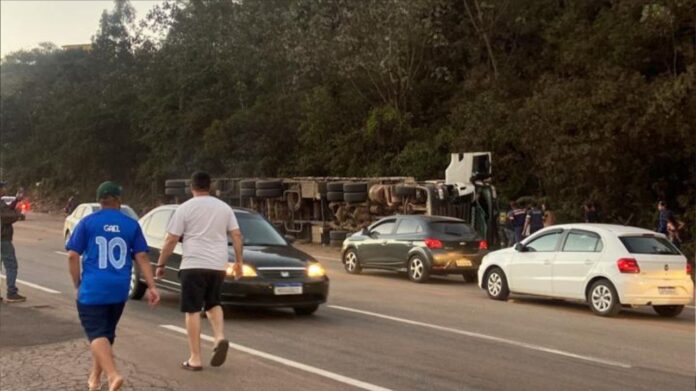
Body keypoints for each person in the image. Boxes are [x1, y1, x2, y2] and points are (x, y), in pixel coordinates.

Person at [66, 181, 160, 391]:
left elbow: (72, 255)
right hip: (119, 288)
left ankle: (113, 374)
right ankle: (94, 378)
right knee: (106, 333)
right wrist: (152, 286)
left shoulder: (88, 222)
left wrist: (77, 283)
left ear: (100, 200)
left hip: (93, 287)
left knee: (96, 333)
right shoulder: (131, 224)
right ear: (118, 200)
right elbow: (142, 256)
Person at [155, 171, 244, 371]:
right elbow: (237, 235)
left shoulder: (184, 208)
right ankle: (219, 336)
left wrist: (161, 264)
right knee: (213, 303)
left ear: (191, 187)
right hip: (217, 265)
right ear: (210, 186)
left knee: (192, 310)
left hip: (193, 265)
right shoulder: (224, 208)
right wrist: (239, 262)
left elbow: (170, 240)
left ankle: (195, 358)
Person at [0, 181, 26, 303]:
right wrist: (18, 213)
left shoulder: (1, 203)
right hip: (3, 239)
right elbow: (6, 216)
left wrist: (16, 201)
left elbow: (6, 210)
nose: (4, 189)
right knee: (11, 265)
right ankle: (12, 292)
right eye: (3, 187)